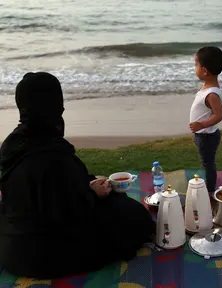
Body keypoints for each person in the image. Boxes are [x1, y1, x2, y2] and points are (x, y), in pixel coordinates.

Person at [0, 72, 155, 279]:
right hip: (42, 254)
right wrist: (93, 195)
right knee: (134, 216)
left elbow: (44, 196)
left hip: (13, 244)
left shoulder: (13, 144)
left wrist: (85, 187)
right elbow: (67, 214)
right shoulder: (52, 154)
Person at [189, 46, 222, 193]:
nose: (194, 68)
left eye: (196, 64)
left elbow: (219, 115)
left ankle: (210, 191)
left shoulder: (211, 94)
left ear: (204, 71)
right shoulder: (208, 86)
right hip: (203, 134)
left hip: (207, 136)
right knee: (206, 162)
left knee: (208, 163)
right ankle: (208, 183)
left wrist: (201, 125)